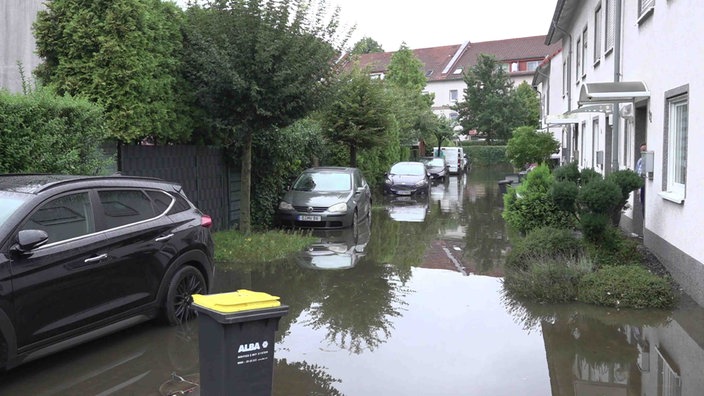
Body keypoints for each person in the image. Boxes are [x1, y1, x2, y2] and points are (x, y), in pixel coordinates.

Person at [635, 143, 647, 217]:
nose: (643, 152)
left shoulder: (649, 160)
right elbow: (637, 173)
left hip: (647, 186)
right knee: (642, 204)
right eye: (642, 150)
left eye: (644, 150)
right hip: (641, 186)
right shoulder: (640, 161)